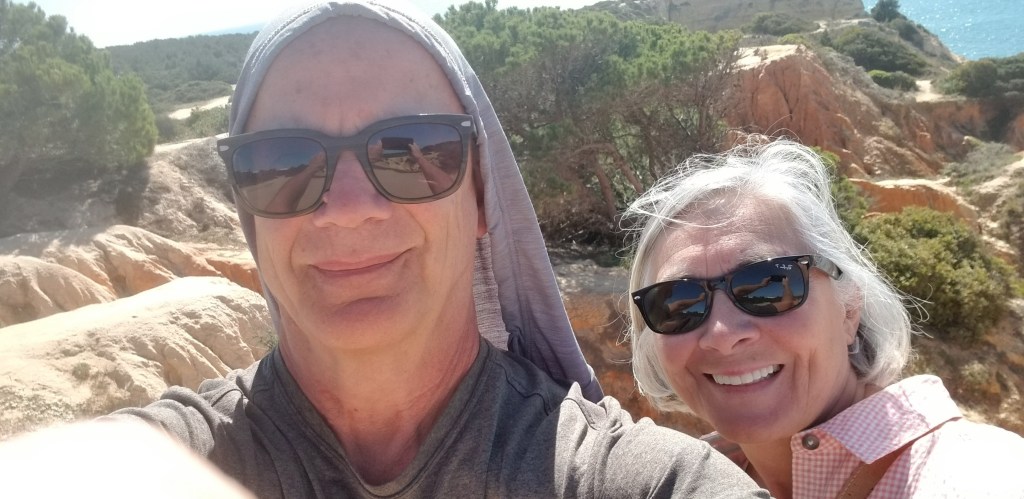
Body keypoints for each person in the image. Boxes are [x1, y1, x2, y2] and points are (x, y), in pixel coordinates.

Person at [60, 2, 768, 497]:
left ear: (484, 197)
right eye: (283, 162)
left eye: (411, 151)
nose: (348, 209)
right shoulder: (169, 458)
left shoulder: (624, 478)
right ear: (247, 211)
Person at [623, 136, 1024, 498]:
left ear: (849, 309)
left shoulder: (974, 474)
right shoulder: (679, 480)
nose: (722, 334)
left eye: (768, 286)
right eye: (678, 303)